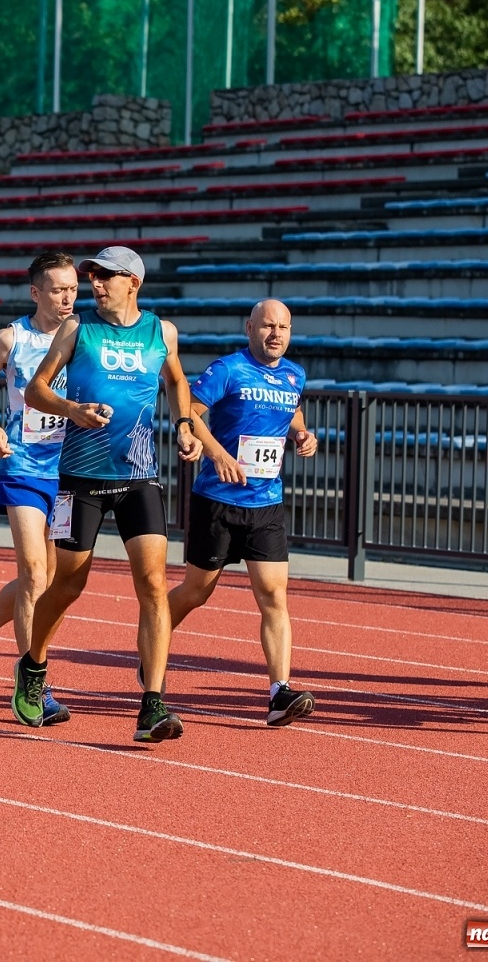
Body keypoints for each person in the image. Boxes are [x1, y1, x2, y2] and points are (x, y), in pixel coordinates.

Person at [17, 246, 202, 740]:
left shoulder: (162, 332)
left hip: (139, 475)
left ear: (133, 283)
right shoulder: (77, 330)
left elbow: (177, 380)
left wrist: (184, 424)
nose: (95, 284)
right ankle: (33, 666)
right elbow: (35, 390)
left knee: (154, 585)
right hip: (81, 477)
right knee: (67, 585)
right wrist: (72, 409)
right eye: (92, 276)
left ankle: (153, 704)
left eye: (106, 277)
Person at [166, 300, 319, 726]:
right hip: (217, 500)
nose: (276, 334)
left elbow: (293, 411)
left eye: (283, 327)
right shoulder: (228, 369)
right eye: (268, 326)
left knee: (274, 596)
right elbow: (189, 413)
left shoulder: (294, 374)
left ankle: (279, 693)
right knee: (196, 592)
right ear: (250, 328)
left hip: (265, 503)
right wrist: (216, 454)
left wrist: (302, 434)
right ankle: (153, 641)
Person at [0, 251, 80, 724]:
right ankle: (33, 686)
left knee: (48, 583)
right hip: (23, 465)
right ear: (36, 293)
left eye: (73, 289)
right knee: (32, 574)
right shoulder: (11, 338)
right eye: (58, 290)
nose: (67, 298)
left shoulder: (84, 337)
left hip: (69, 471)